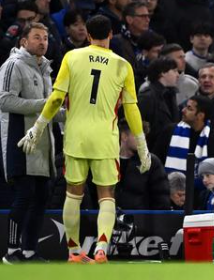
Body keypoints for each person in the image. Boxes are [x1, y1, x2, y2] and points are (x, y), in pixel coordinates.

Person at [18, 15, 152, 264]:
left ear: (88, 35)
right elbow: (131, 108)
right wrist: (142, 145)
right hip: (105, 138)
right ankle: (101, 248)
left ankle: (74, 251)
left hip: (76, 137)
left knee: (73, 193)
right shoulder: (123, 65)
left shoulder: (72, 57)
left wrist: (37, 128)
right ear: (110, 34)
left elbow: (56, 98)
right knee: (107, 195)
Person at [0, 23, 56, 263]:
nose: (43, 42)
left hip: (43, 145)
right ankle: (11, 251)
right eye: (37, 37)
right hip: (19, 139)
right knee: (24, 195)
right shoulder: (13, 65)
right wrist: (45, 104)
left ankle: (30, 251)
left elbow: (49, 110)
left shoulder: (45, 70)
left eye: (46, 38)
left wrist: (69, 112)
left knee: (41, 197)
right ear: (23, 41)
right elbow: (4, 101)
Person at [116, 119, 170, 210]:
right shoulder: (108, 161)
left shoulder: (152, 163)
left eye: (144, 137)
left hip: (141, 218)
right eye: (138, 136)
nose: (142, 141)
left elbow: (161, 200)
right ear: (124, 136)